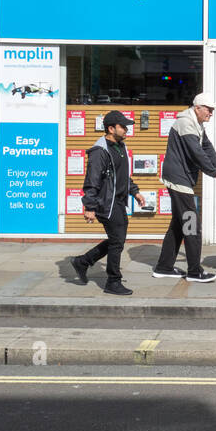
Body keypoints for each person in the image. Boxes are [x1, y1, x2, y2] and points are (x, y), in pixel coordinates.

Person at [153, 91, 216, 282]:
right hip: (178, 179)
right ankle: (195, 272)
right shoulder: (186, 123)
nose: (211, 113)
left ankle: (163, 267)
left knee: (179, 225)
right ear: (198, 108)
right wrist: (213, 172)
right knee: (192, 224)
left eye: (212, 110)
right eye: (209, 110)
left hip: (182, 178)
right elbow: (196, 153)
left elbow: (207, 148)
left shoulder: (197, 124)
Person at [72, 110, 147, 295]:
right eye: (123, 126)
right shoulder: (100, 151)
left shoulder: (121, 147)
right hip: (107, 203)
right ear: (111, 128)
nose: (126, 130)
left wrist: (135, 192)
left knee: (117, 240)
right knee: (117, 242)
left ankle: (83, 262)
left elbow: (123, 176)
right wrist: (89, 206)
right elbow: (92, 180)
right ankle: (113, 281)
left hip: (119, 202)